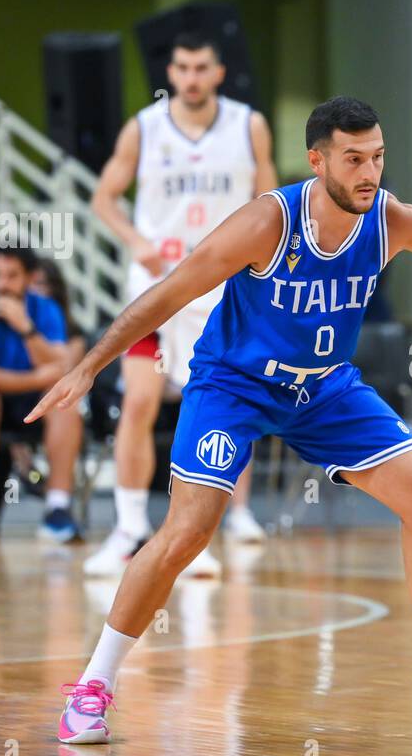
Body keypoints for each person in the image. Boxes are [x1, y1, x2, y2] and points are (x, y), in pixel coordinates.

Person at [31, 96, 412, 745]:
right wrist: (89, 364)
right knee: (187, 532)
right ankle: (93, 684)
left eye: (379, 158)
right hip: (235, 384)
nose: (370, 173)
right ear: (317, 160)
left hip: (324, 388)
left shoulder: (390, 220)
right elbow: (172, 291)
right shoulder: (267, 223)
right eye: (355, 159)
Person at [87, 32, 274, 576]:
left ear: (218, 72)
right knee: (140, 402)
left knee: (228, 405)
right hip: (157, 287)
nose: (191, 77)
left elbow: (268, 203)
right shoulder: (143, 128)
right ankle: (127, 528)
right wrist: (135, 241)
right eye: (182, 68)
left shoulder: (248, 125)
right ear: (171, 73)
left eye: (201, 68)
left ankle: (224, 520)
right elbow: (104, 198)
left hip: (221, 286)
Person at [0, 245, 83, 542]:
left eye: (11, 276)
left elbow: (60, 366)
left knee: (66, 400)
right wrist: (35, 377)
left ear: (29, 277)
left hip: (32, 405)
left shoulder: (45, 309)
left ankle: (57, 509)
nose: (2, 284)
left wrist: (25, 327)